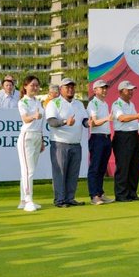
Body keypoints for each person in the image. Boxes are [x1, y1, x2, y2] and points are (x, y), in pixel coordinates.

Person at [45, 78, 89, 207]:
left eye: (72, 87)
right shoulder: (54, 103)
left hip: (76, 143)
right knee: (60, 173)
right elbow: (52, 122)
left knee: (73, 173)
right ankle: (59, 200)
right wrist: (65, 122)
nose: (70, 89)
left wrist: (89, 123)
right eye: (67, 87)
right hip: (59, 143)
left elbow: (84, 120)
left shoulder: (79, 104)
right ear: (60, 89)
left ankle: (70, 198)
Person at [111, 80, 139, 202]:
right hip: (122, 137)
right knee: (123, 166)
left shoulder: (131, 104)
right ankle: (121, 194)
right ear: (121, 91)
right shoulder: (117, 105)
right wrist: (138, 116)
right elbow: (121, 118)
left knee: (133, 165)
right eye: (128, 90)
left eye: (132, 90)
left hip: (133, 136)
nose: (131, 92)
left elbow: (133, 119)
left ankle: (132, 193)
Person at [17, 76, 45, 212]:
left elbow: (41, 123)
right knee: (29, 170)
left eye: (37, 85)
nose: (35, 87)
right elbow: (25, 119)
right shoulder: (23, 102)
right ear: (25, 86)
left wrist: (42, 140)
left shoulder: (38, 102)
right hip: (27, 137)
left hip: (37, 136)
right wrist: (34, 116)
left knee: (28, 170)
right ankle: (28, 200)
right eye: (32, 85)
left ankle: (23, 201)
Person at [86, 79, 114, 205]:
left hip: (107, 138)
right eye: (101, 88)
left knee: (102, 168)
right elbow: (95, 122)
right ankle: (94, 195)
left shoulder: (105, 104)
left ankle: (100, 193)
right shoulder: (93, 104)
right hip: (97, 137)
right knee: (95, 167)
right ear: (95, 90)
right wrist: (107, 118)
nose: (104, 90)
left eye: (105, 88)